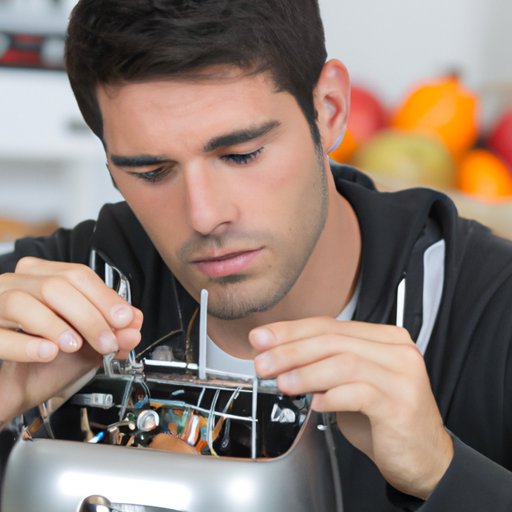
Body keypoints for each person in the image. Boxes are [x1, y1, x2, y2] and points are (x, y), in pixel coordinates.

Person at [0, 0, 511, 510]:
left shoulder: (495, 311)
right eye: (152, 171)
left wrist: (442, 471)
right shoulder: (36, 311)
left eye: (241, 154)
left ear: (328, 109)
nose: (204, 216)